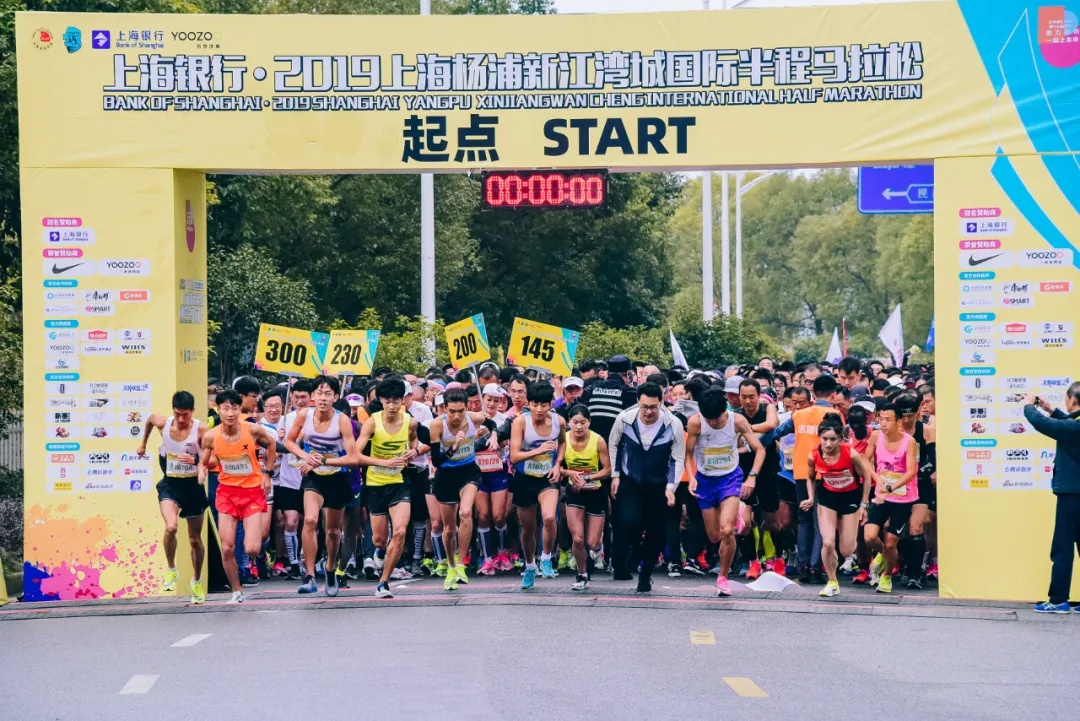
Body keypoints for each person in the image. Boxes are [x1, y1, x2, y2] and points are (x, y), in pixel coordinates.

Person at [197, 389, 277, 604]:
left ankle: (263, 552)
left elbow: (271, 446)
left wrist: (267, 474)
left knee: (252, 547)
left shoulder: (252, 430)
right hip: (227, 493)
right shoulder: (211, 436)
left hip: (251, 491)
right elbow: (205, 458)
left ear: (240, 409)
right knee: (227, 546)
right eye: (225, 408)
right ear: (218, 410)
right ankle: (237, 590)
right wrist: (202, 470)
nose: (230, 413)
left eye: (234, 408)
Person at [284, 376, 359, 597]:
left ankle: (330, 570)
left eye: (328, 394)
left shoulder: (342, 420)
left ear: (336, 397)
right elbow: (289, 442)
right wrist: (307, 457)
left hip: (336, 477)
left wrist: (325, 460)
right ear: (313, 396)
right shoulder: (304, 415)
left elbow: (354, 458)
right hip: (314, 477)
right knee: (309, 520)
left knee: (334, 531)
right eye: (319, 393)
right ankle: (308, 576)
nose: (322, 398)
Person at [686, 387, 765, 596]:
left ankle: (722, 577)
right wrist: (691, 476)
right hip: (705, 479)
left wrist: (752, 477)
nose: (712, 423)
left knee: (727, 530)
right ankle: (734, 515)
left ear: (725, 411)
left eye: (716, 419)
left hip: (730, 477)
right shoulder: (695, 422)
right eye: (708, 419)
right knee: (713, 537)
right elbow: (687, 453)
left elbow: (760, 449)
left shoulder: (736, 421)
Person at [608, 382, 685, 593]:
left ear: (661, 403)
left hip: (659, 484)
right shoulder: (624, 419)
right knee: (629, 521)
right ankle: (636, 550)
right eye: (644, 407)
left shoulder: (673, 424)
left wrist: (671, 487)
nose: (649, 412)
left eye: (653, 407)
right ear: (637, 403)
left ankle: (646, 573)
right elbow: (613, 444)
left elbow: (678, 459)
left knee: (657, 533)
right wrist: (615, 475)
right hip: (631, 481)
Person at [137, 391, 208, 604]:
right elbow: (149, 419)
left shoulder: (202, 429)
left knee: (195, 539)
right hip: (170, 485)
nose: (181, 419)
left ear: (192, 412)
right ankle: (171, 568)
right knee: (171, 527)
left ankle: (196, 581)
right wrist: (143, 444)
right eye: (177, 414)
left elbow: (209, 458)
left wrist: (198, 465)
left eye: (185, 414)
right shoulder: (163, 423)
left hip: (193, 488)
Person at [355, 376, 419, 598]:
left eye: (396, 401)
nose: (392, 406)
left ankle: (383, 583)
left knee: (400, 531)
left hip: (399, 483)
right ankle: (380, 551)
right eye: (387, 401)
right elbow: (356, 454)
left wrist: (414, 451)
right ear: (380, 400)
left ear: (403, 401)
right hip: (375, 484)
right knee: (379, 539)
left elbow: (414, 441)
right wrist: (384, 462)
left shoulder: (410, 422)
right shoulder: (372, 422)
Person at [430, 388, 499, 590]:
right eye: (452, 411)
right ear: (445, 409)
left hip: (469, 472)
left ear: (467, 407)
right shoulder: (437, 425)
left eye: (460, 410)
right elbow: (436, 460)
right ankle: (451, 565)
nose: (456, 416)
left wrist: (493, 435)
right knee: (449, 528)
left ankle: (461, 563)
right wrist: (454, 446)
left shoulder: (473, 418)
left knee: (467, 512)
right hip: (446, 475)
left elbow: (492, 422)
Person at [805, 413, 875, 597]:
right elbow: (810, 478)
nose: (828, 444)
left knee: (846, 549)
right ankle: (832, 581)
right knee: (827, 542)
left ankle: (848, 558)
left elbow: (866, 477)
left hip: (850, 498)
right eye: (824, 439)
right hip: (828, 498)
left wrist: (864, 504)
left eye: (833, 439)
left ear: (840, 439)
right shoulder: (813, 455)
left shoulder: (850, 454)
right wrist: (811, 498)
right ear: (819, 438)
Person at [1024, 385, 1080, 613]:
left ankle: (1058, 600)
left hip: (1071, 496)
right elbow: (1066, 425)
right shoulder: (1074, 425)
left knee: (1062, 549)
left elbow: (1045, 425)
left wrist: (1028, 406)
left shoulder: (1073, 427)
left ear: (1072, 399)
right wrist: (1051, 409)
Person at [509, 381, 565, 588]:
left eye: (543, 405)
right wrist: (538, 450)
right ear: (528, 403)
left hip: (546, 478)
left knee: (550, 518)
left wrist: (558, 464)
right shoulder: (520, 423)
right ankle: (530, 565)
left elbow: (562, 443)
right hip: (524, 478)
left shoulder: (559, 421)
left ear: (550, 404)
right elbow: (514, 456)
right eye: (534, 404)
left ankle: (547, 557)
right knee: (528, 528)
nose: (539, 410)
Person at [863, 402, 918, 594]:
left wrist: (891, 487)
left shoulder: (908, 441)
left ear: (898, 422)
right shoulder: (876, 436)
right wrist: (878, 479)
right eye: (880, 419)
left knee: (891, 541)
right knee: (870, 536)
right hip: (882, 494)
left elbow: (911, 471)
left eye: (888, 420)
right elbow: (865, 459)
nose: (883, 424)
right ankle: (881, 554)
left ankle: (886, 577)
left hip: (903, 497)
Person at [561, 405, 612, 590]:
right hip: (574, 492)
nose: (579, 427)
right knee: (578, 538)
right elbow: (555, 466)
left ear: (589, 422)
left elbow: (608, 469)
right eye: (575, 422)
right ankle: (582, 575)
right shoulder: (563, 439)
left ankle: (599, 547)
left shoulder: (598, 441)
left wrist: (588, 477)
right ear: (569, 422)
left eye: (583, 422)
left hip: (596, 491)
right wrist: (569, 473)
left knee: (592, 543)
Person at [275, 379, 311, 580]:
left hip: (310, 478)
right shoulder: (285, 419)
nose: (299, 401)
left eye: (303, 397)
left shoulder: (317, 418)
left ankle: (309, 561)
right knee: (291, 521)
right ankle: (294, 563)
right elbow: (279, 448)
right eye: (296, 397)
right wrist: (281, 439)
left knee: (309, 522)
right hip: (288, 479)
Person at [476, 383, 513, 575]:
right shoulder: (474, 418)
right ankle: (487, 558)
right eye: (488, 399)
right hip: (479, 474)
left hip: (499, 472)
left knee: (499, 517)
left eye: (496, 400)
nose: (491, 403)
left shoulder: (504, 420)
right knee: (483, 516)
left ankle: (501, 553)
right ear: (482, 398)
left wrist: (497, 440)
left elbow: (507, 447)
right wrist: (476, 437)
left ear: (502, 401)